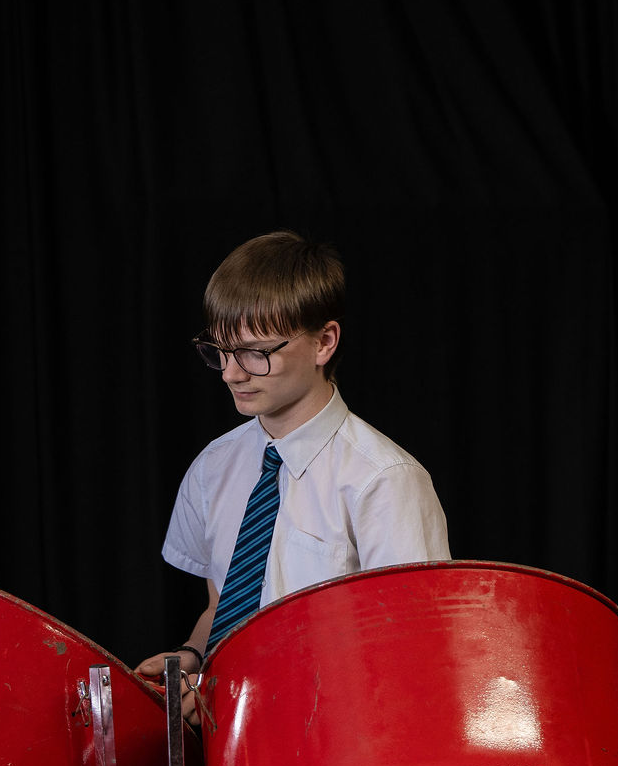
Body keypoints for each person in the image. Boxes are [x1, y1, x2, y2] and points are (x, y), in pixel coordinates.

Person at [136, 231, 450, 688]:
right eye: (221, 350)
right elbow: (220, 605)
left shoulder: (384, 481)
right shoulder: (213, 466)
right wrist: (194, 655)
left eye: (255, 353)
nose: (230, 374)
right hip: (231, 720)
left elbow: (411, 651)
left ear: (324, 342)